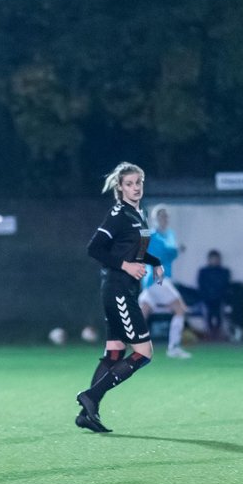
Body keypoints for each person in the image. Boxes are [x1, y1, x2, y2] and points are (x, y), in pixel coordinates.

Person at [74, 162, 163, 433]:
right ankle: (90, 397)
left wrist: (154, 261)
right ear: (120, 187)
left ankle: (87, 414)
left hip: (123, 289)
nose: (136, 188)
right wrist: (125, 266)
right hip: (118, 289)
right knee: (144, 353)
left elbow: (133, 249)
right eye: (130, 184)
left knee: (115, 351)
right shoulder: (119, 214)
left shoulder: (138, 214)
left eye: (139, 183)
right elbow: (95, 248)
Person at [137, 203, 192, 358]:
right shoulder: (152, 235)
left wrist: (174, 251)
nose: (164, 219)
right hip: (156, 278)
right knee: (180, 308)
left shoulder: (170, 234)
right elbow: (161, 252)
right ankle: (173, 347)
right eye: (161, 216)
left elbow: (169, 254)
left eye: (166, 216)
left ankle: (124, 342)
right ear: (155, 219)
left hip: (159, 278)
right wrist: (176, 250)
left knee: (143, 312)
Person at [196, 249, 232, 340]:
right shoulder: (203, 272)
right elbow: (202, 286)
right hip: (207, 299)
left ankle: (219, 333)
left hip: (220, 298)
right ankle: (209, 333)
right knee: (207, 313)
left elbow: (225, 285)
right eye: (213, 258)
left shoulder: (224, 271)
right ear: (209, 259)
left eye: (216, 258)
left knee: (220, 313)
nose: (215, 260)